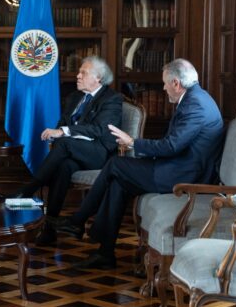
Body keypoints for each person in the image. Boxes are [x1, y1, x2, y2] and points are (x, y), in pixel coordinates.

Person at [54, 58, 224, 269]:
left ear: (176, 84)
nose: (163, 88)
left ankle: (78, 220)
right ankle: (105, 253)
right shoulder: (195, 98)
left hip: (185, 176)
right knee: (118, 181)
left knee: (116, 164)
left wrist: (132, 142)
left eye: (164, 83)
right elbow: (174, 146)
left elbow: (172, 146)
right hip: (178, 167)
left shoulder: (195, 105)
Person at [14, 56, 123, 246]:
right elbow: (63, 123)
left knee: (63, 143)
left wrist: (63, 133)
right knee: (63, 166)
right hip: (73, 153)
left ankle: (29, 189)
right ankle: (49, 230)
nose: (78, 75)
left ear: (98, 78)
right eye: (79, 72)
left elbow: (99, 130)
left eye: (83, 72)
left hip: (99, 153)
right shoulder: (74, 97)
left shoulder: (112, 99)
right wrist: (60, 132)